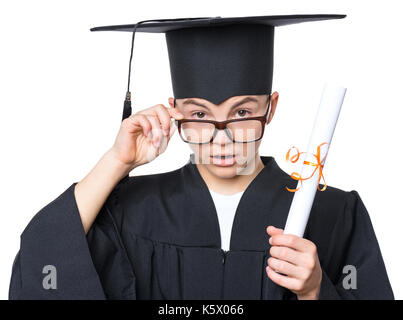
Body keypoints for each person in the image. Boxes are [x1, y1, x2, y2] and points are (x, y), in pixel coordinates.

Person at [9, 15, 394, 300]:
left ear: (270, 108)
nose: (221, 139)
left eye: (242, 113)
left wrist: (315, 292)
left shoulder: (332, 213)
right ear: (175, 111)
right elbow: (42, 263)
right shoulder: (131, 210)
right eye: (199, 115)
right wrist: (116, 162)